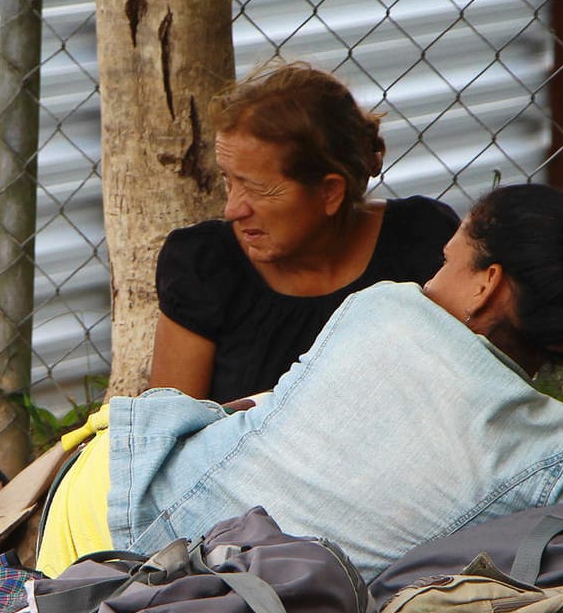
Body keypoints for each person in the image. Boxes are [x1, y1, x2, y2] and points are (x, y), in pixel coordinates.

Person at [39, 183, 563, 580]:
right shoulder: (555, 457)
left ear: (486, 282)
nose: (431, 277)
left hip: (115, 511)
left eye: (448, 260)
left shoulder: (389, 309)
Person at [147, 60, 460, 402]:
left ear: (330, 193)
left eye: (257, 189)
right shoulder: (205, 266)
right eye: (228, 180)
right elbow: (170, 434)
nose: (233, 209)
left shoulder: (421, 244)